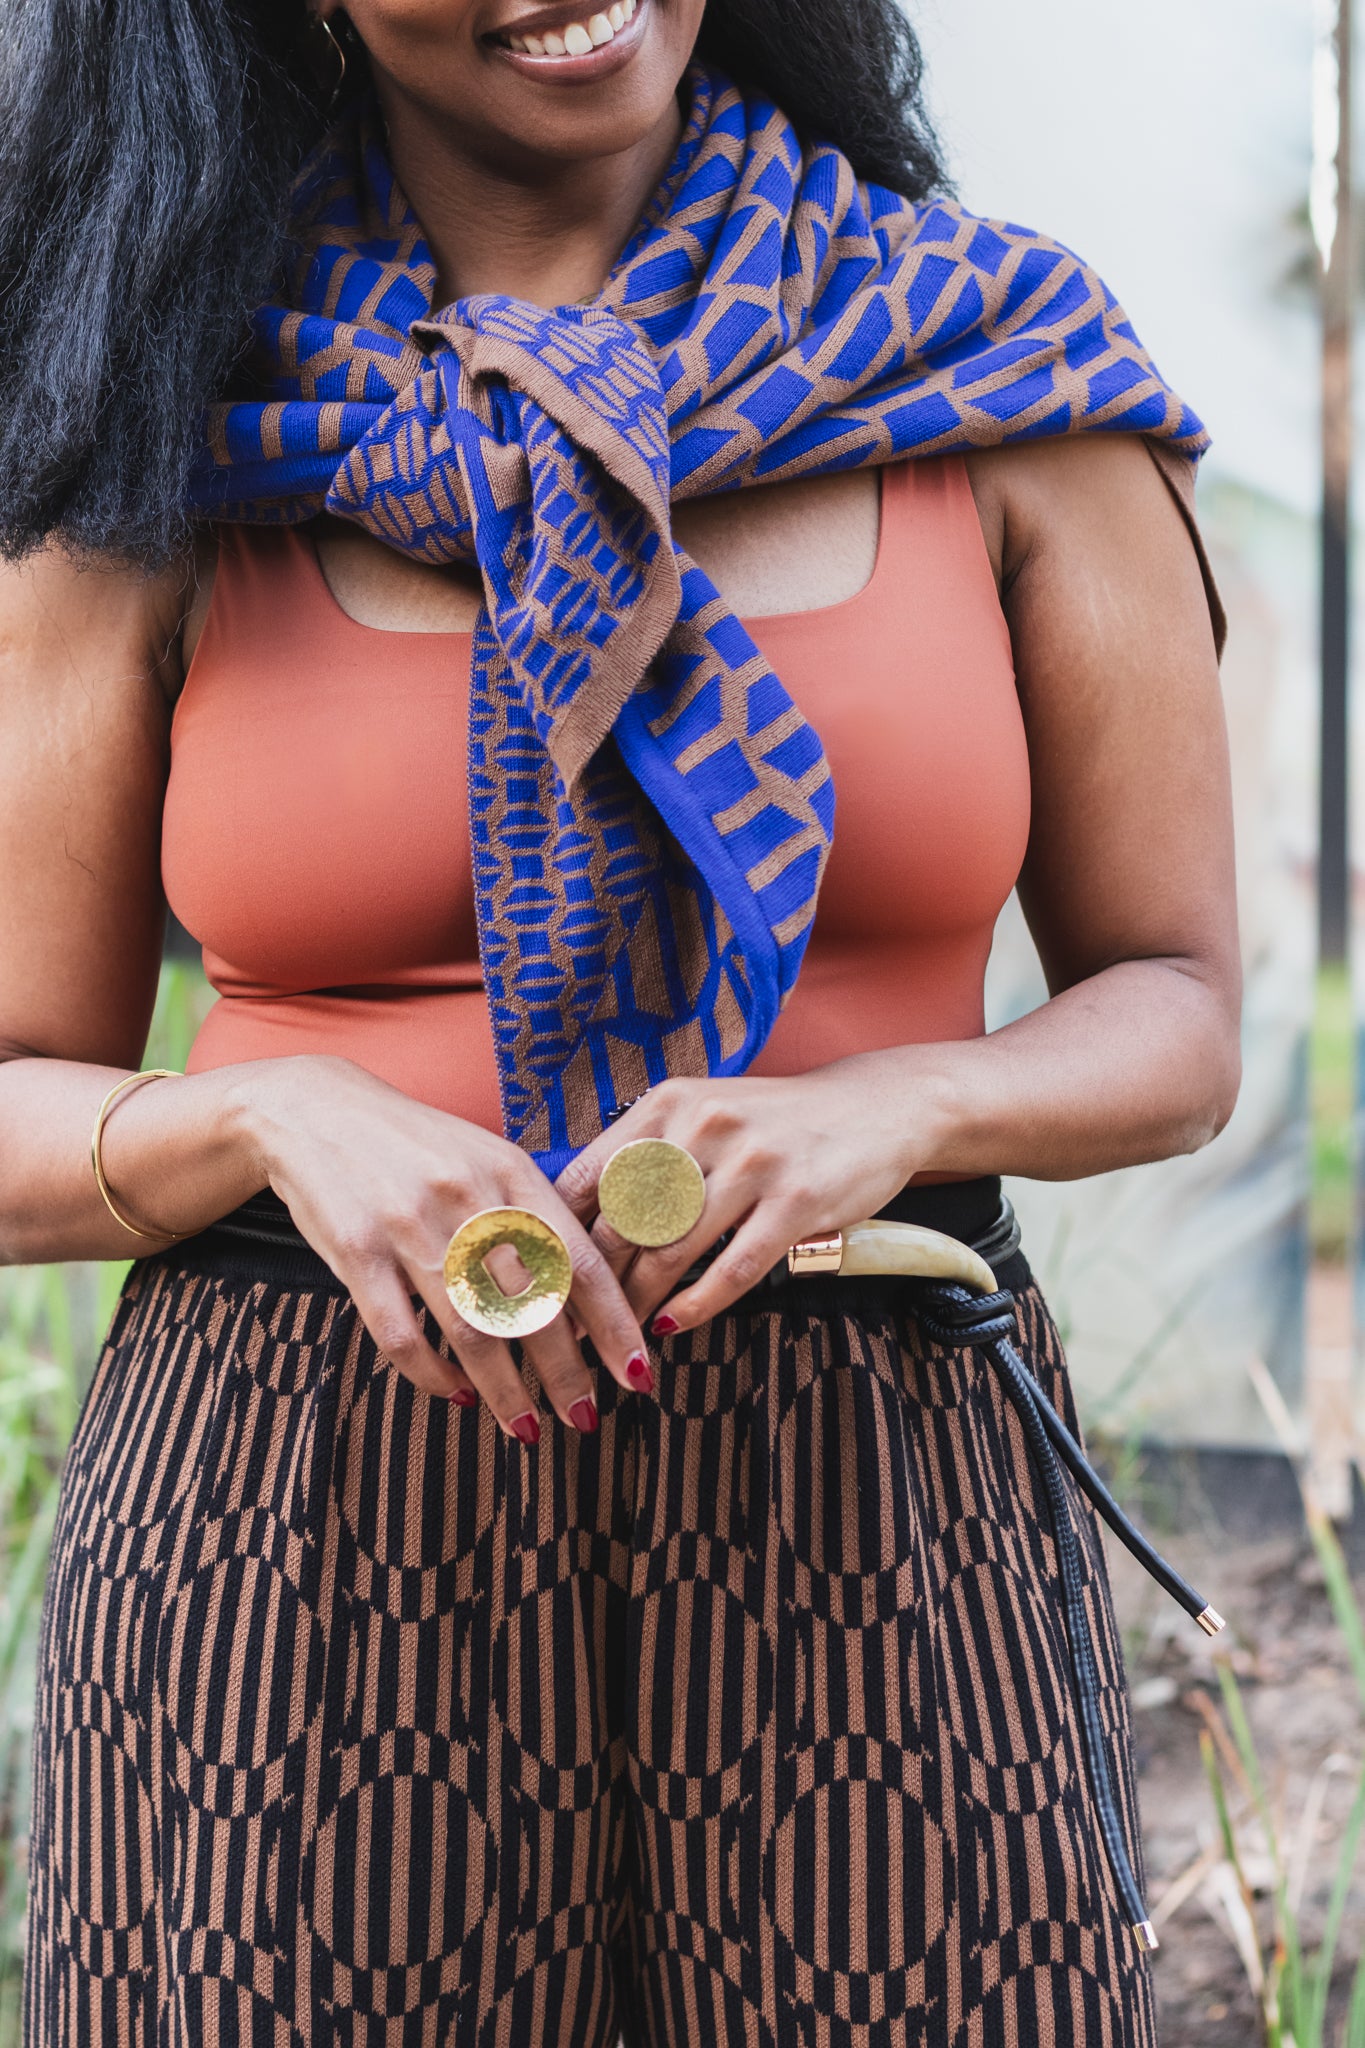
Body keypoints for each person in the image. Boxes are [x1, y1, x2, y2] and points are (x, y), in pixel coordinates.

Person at [1, 0, 1238, 2041]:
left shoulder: (992, 368)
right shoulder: (158, 409)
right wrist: (270, 1118)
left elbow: (1177, 1010)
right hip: (304, 1489)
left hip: (875, 1475)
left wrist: (898, 1102)